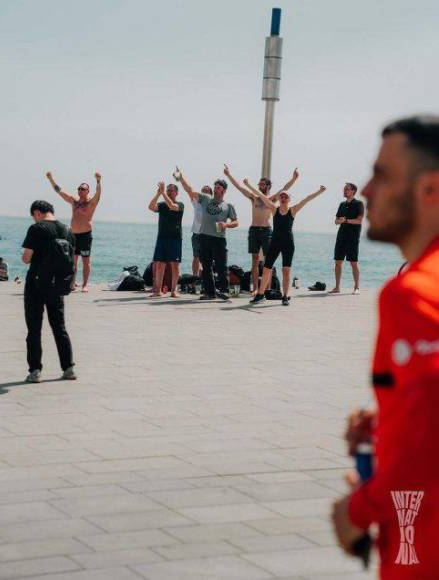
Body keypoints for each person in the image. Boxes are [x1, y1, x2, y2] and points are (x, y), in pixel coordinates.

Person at [332, 115, 439, 579]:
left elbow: (425, 445)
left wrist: (356, 512)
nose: (369, 191)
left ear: (430, 189)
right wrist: (391, 416)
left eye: (383, 175)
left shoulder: (413, 293)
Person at [21, 200, 76, 383]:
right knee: (59, 327)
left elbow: (26, 258)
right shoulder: (67, 230)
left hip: (36, 284)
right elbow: (71, 260)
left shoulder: (36, 229)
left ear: (37, 213)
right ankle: (68, 368)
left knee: (34, 328)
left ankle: (35, 370)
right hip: (58, 284)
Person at [223, 165, 299, 294]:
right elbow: (239, 187)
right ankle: (256, 289)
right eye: (259, 184)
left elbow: (285, 189)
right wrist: (228, 174)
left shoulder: (272, 199)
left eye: (262, 184)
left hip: (267, 231)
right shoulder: (254, 197)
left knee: (268, 261)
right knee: (255, 260)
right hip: (254, 230)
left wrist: (294, 178)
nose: (260, 186)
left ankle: (267, 289)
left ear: (268, 186)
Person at [249, 183, 326, 305]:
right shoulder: (274, 209)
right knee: (266, 269)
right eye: (282, 197)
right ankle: (260, 295)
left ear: (289, 199)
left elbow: (306, 199)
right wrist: (248, 185)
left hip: (288, 243)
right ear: (279, 199)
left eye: (286, 197)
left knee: (286, 270)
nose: (283, 199)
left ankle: (285, 296)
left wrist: (319, 191)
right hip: (275, 242)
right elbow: (261, 195)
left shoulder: (293, 210)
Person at [175, 168, 238, 300]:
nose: (216, 188)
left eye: (219, 187)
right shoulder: (205, 198)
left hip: (219, 239)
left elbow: (236, 222)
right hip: (204, 237)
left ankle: (224, 291)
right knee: (206, 266)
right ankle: (210, 293)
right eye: (215, 186)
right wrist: (181, 177)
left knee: (222, 266)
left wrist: (226, 225)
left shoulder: (228, 206)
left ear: (224, 190)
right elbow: (190, 190)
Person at [46, 171, 102, 292]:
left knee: (86, 260)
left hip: (86, 235)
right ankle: (72, 282)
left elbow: (98, 194)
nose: (80, 190)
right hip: (73, 235)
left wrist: (98, 181)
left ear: (87, 191)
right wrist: (51, 179)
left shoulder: (91, 203)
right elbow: (59, 191)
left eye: (83, 189)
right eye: (79, 189)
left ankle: (85, 284)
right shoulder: (74, 201)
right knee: (72, 260)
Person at [173, 168, 213, 276]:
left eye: (206, 191)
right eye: (203, 190)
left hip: (208, 235)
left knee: (207, 259)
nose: (204, 192)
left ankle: (206, 279)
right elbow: (188, 189)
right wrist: (181, 178)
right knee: (196, 257)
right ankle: (195, 279)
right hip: (196, 234)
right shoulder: (196, 202)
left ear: (210, 194)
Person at [148, 182, 184, 297]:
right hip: (162, 237)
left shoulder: (180, 204)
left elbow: (172, 207)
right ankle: (157, 291)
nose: (169, 192)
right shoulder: (162, 204)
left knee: (175, 265)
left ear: (176, 193)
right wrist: (158, 194)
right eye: (168, 190)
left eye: (171, 190)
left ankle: (174, 291)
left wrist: (162, 192)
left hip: (175, 238)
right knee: (160, 264)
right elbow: (151, 207)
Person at [330, 183, 364, 295]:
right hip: (341, 237)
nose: (345, 191)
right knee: (337, 262)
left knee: (353, 263)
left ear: (353, 191)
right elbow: (336, 221)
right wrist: (340, 221)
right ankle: (337, 287)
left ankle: (356, 287)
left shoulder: (359, 204)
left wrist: (346, 220)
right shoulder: (341, 204)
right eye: (344, 189)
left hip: (353, 238)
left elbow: (359, 221)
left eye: (347, 189)